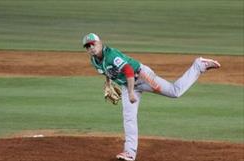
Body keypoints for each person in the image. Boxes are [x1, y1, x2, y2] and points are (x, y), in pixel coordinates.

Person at [82, 33, 220, 161]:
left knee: (174, 92)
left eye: (93, 44)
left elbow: (129, 70)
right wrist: (107, 83)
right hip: (128, 85)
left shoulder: (111, 55)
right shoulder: (94, 61)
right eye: (88, 46)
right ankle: (129, 152)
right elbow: (107, 70)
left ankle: (199, 65)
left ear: (100, 43)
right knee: (129, 116)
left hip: (143, 76)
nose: (91, 48)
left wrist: (130, 93)